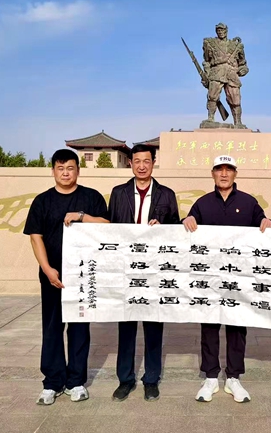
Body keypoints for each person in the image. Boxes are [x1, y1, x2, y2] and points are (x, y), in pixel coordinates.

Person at [183, 155, 271, 403]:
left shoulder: (248, 202)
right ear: (212, 173)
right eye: (219, 169)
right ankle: (211, 376)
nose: (224, 174)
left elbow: (264, 223)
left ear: (235, 174)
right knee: (209, 326)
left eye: (228, 170)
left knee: (237, 327)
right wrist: (186, 220)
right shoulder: (202, 203)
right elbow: (187, 230)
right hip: (210, 279)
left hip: (238, 279)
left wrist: (267, 222)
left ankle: (234, 377)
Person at [23, 148, 109, 405]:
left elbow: (108, 226)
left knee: (80, 328)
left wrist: (83, 217)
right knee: (52, 328)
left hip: (83, 275)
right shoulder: (42, 201)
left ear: (78, 170)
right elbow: (35, 237)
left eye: (70, 168)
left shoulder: (91, 197)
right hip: (53, 276)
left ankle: (76, 382)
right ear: (53, 171)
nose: (65, 173)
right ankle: (52, 382)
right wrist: (47, 268)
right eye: (60, 168)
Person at [108, 144, 180, 402]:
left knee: (153, 327)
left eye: (146, 161)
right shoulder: (118, 193)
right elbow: (110, 229)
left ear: (153, 163)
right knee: (126, 326)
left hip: (155, 270)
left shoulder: (166, 194)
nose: (141, 166)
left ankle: (151, 379)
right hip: (126, 269)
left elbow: (176, 230)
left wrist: (163, 228)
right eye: (136, 161)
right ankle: (125, 380)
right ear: (130, 163)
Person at [202, 22, 249, 127]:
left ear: (226, 31)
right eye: (218, 30)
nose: (220, 32)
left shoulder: (236, 46)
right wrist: (206, 75)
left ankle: (238, 122)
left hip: (232, 74)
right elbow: (206, 61)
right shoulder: (210, 43)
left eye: (222, 30)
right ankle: (210, 118)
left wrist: (243, 70)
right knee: (212, 96)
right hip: (216, 72)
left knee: (235, 99)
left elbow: (242, 63)